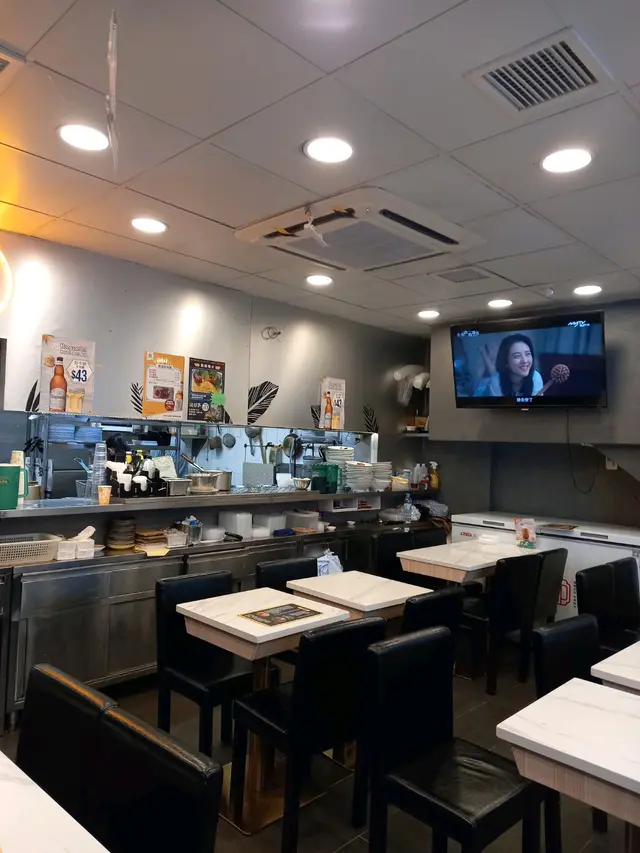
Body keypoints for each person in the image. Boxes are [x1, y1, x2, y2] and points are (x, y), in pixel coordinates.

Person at [475, 333, 543, 397]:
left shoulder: (536, 378)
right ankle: (484, 352)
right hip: (482, 387)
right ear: (505, 361)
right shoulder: (496, 380)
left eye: (527, 354)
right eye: (517, 356)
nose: (525, 360)